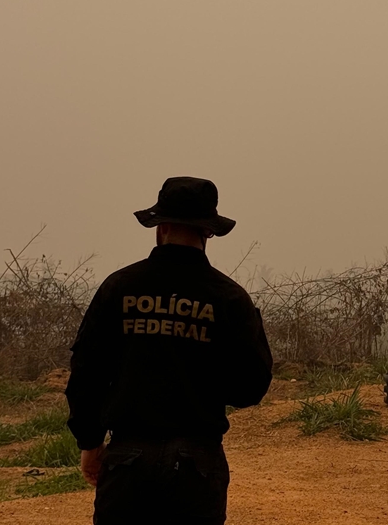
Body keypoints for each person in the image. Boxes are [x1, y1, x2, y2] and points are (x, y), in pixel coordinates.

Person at [65, 176, 273, 525]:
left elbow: (86, 372)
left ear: (159, 226)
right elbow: (251, 387)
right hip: (197, 464)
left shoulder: (119, 288)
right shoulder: (229, 298)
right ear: (208, 233)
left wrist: (90, 443)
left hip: (127, 459)